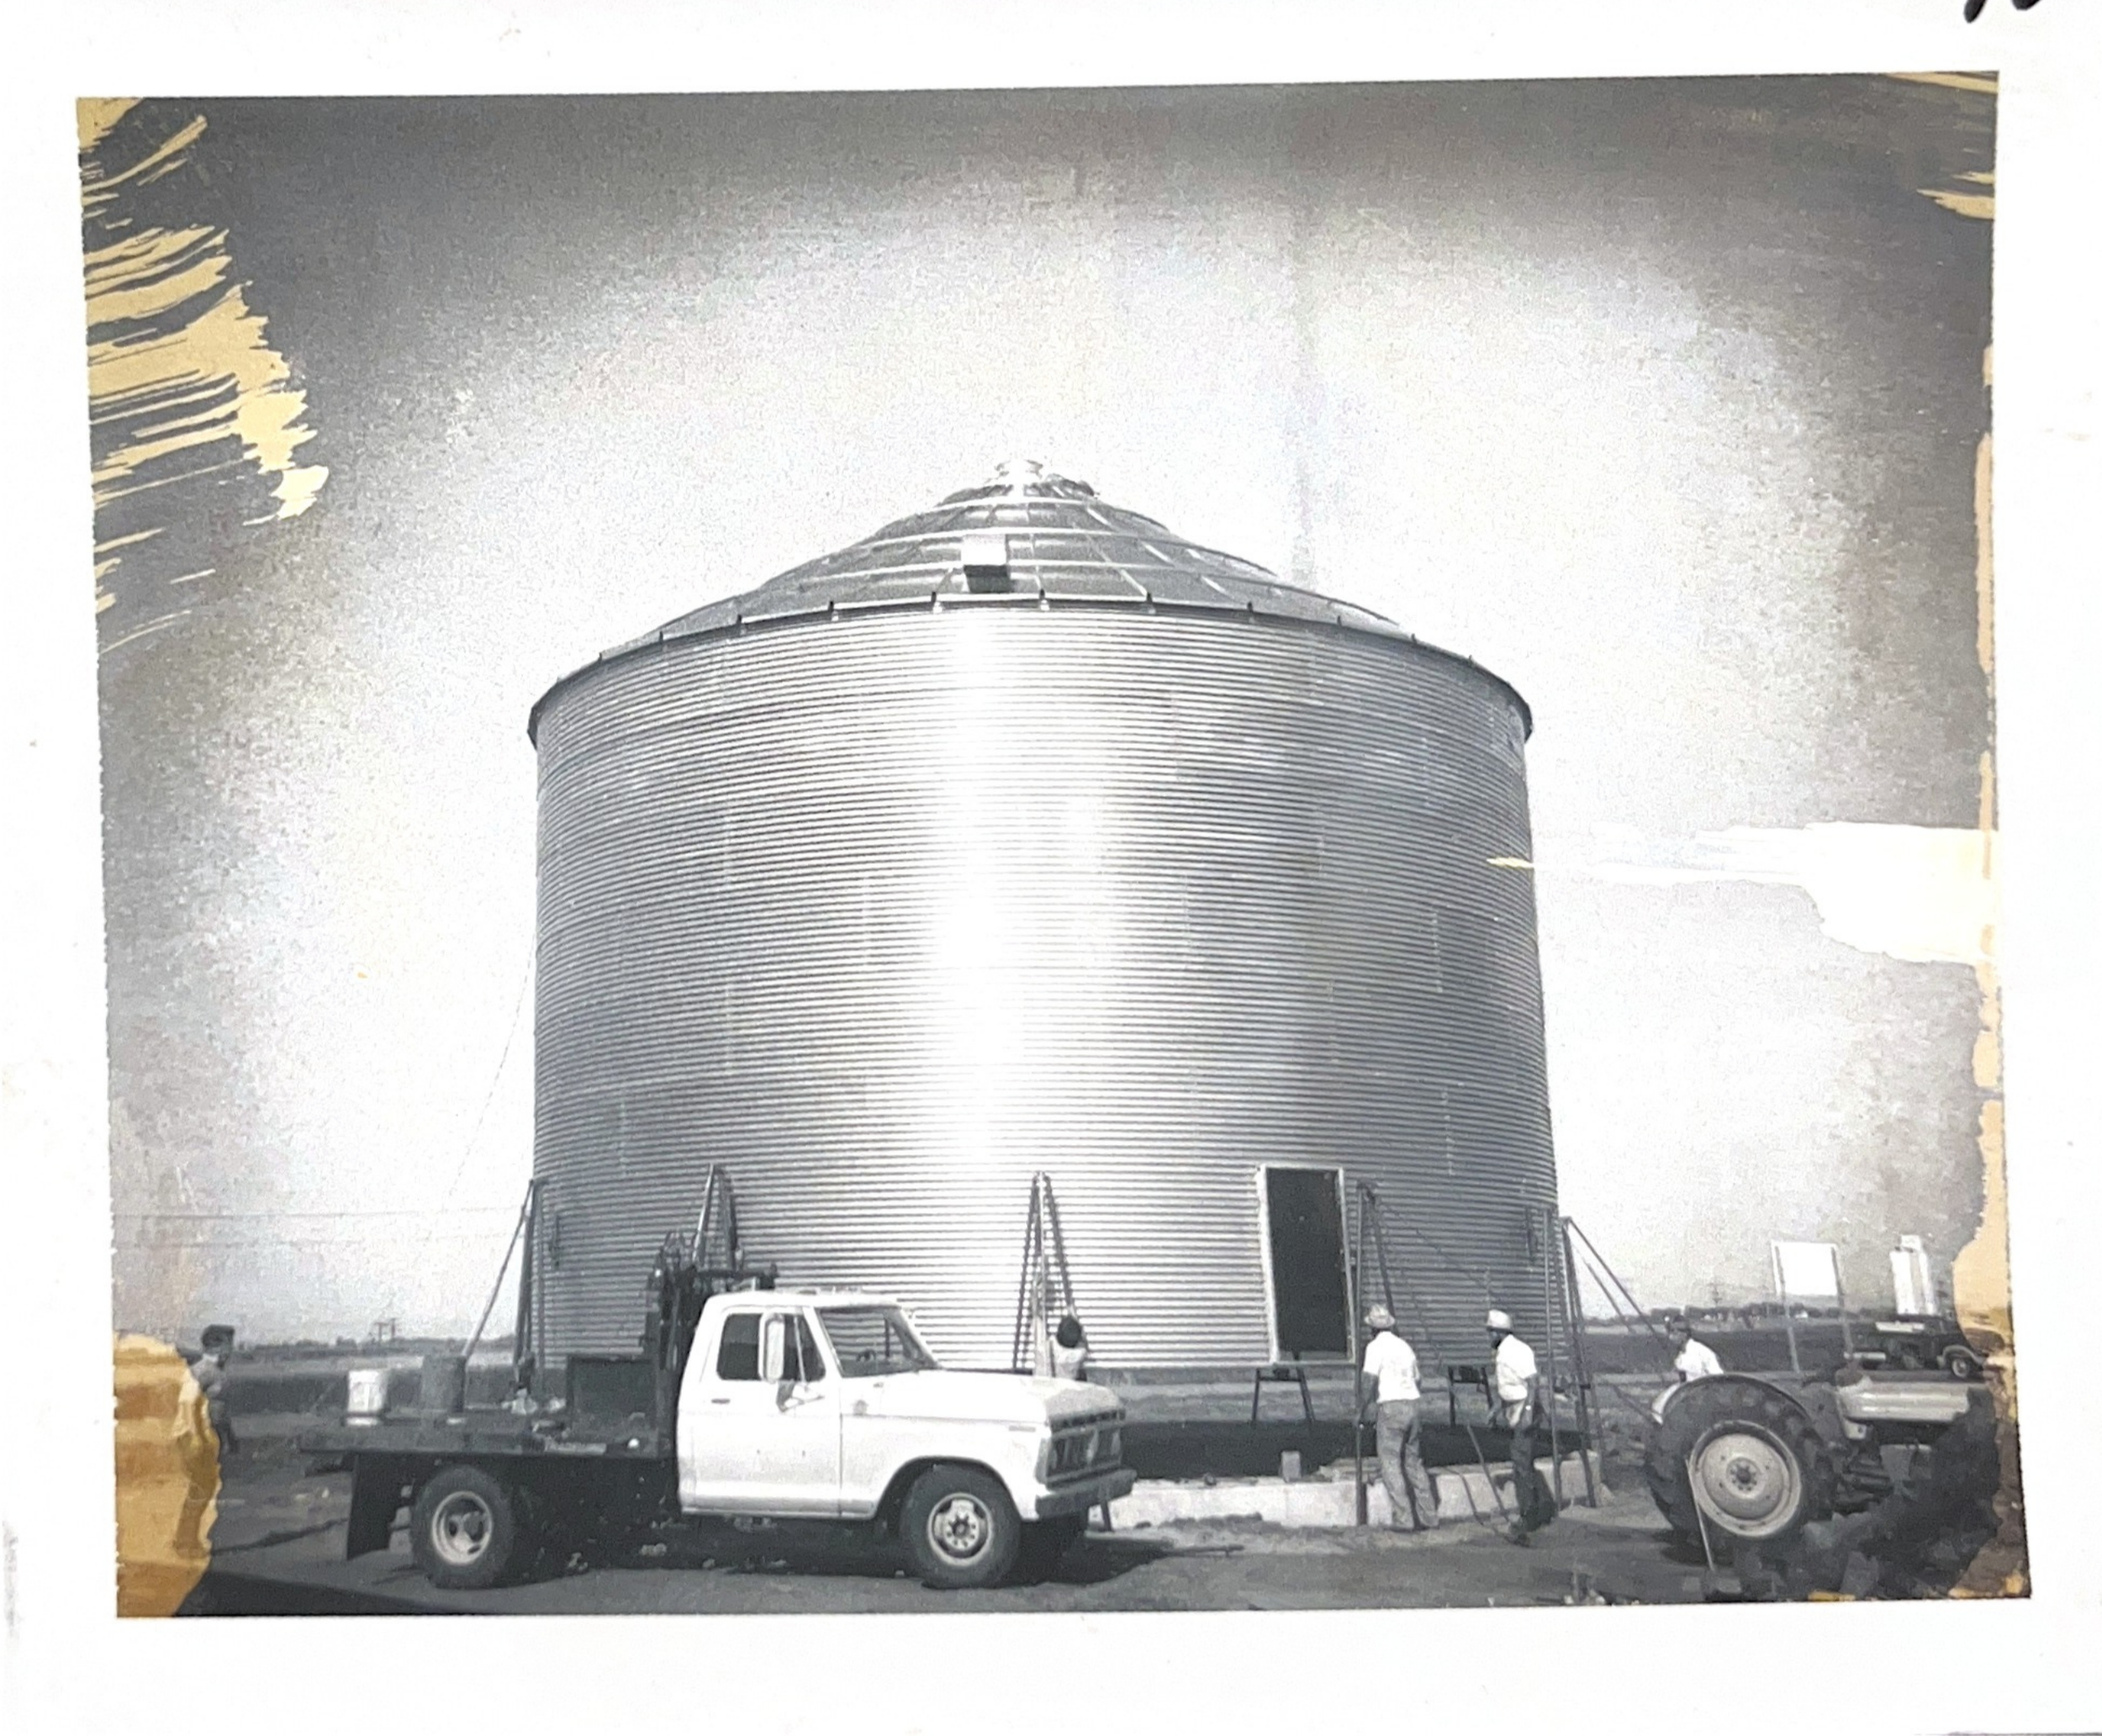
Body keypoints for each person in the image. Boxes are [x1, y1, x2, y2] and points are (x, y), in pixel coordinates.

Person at [1359, 1305, 1438, 1532]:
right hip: (1412, 1403)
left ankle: (1404, 1518)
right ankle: (1429, 1516)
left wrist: (1361, 1409)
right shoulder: (1405, 1346)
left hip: (1391, 1406)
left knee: (1390, 1462)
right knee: (1414, 1462)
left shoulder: (1374, 1348)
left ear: (1372, 1329)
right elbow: (1418, 1379)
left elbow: (1369, 1381)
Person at [1487, 1307, 1554, 1543]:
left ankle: (1529, 1516)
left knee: (1521, 1462)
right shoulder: (1503, 1352)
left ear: (1499, 1333)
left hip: (1525, 1408)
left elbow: (1533, 1383)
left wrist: (1526, 1413)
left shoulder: (1517, 1350)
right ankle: (1536, 1507)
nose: (1488, 1337)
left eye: (1490, 1332)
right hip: (1514, 1407)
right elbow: (1508, 1386)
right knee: (1522, 1461)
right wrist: (1496, 1408)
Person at [1651, 1317, 1726, 1421]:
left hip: (1702, 1394)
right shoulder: (1682, 1354)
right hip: (1688, 1393)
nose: (1671, 1337)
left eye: (1674, 1333)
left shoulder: (1700, 1351)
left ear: (1684, 1334)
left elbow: (1718, 1376)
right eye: (1670, 1333)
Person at [191, 1324, 238, 1457]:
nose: (231, 1351)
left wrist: (230, 1436)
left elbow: (221, 1409)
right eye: (228, 1346)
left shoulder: (217, 1371)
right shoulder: (202, 1371)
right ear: (216, 1347)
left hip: (218, 1435)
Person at [1050, 1314, 1089, 1382]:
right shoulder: (1080, 1354)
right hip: (1072, 1387)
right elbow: (1084, 1340)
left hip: (1056, 1386)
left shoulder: (1053, 1348)